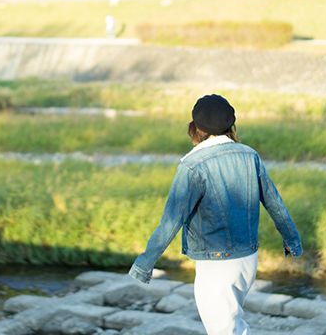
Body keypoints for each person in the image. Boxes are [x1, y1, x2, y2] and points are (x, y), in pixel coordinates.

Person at [128, 94, 303, 335]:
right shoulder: (249, 154)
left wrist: (144, 264)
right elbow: (275, 203)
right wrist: (292, 240)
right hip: (248, 259)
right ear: (230, 126)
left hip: (216, 265)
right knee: (234, 327)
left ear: (195, 127)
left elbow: (171, 221)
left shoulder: (192, 166)